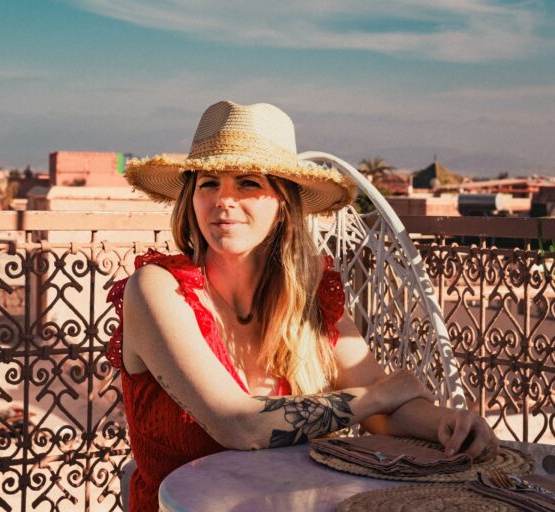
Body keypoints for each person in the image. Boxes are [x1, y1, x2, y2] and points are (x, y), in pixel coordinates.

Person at [106, 100, 498, 511]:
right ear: (191, 199)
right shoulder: (157, 289)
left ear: (282, 206)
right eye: (208, 184)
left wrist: (450, 424)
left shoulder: (309, 296)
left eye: (247, 183)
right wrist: (372, 397)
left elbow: (389, 410)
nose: (224, 200)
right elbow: (238, 424)